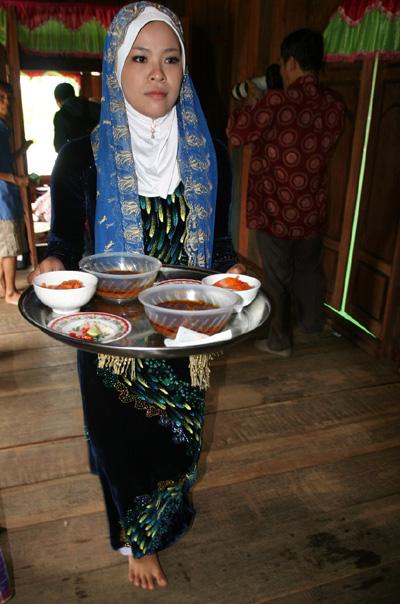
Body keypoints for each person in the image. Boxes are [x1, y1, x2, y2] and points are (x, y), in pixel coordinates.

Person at [29, 2, 243, 591]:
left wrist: (233, 274)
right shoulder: (81, 158)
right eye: (141, 59)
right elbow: (66, 244)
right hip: (112, 334)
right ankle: (134, 540)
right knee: (122, 435)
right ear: (116, 67)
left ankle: (164, 506)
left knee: (182, 432)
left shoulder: (209, 158)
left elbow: (219, 249)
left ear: (184, 70)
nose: (158, 73)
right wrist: (52, 261)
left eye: (171, 59)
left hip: (190, 331)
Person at [227, 28, 345, 356]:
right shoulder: (334, 105)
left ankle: (280, 341)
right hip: (312, 207)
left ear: (291, 62)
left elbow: (236, 133)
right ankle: (311, 326)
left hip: (274, 206)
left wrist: (254, 102)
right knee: (308, 267)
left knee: (277, 276)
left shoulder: (277, 102)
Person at [0, 80, 32, 305]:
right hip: (2, 195)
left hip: (5, 193)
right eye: (1, 98)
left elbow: (5, 160)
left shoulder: (3, 127)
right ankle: (10, 291)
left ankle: (3, 286)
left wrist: (21, 150)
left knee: (3, 244)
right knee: (8, 245)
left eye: (7, 99)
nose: (6, 103)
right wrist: (16, 179)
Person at [53, 82, 100, 152]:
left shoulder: (60, 116)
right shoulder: (94, 107)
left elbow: (59, 147)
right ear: (73, 94)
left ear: (58, 100)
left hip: (79, 157)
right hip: (100, 152)